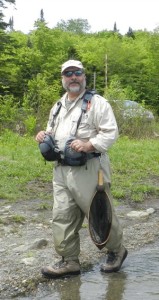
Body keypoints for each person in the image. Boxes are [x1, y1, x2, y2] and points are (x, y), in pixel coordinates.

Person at [35, 59, 128, 278]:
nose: (73, 77)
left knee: (99, 215)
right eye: (68, 74)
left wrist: (89, 144)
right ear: (63, 79)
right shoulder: (57, 105)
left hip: (90, 168)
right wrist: (43, 135)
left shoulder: (97, 103)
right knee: (61, 215)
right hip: (61, 170)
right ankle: (69, 261)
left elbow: (110, 132)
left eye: (77, 73)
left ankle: (117, 251)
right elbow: (51, 130)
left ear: (84, 76)